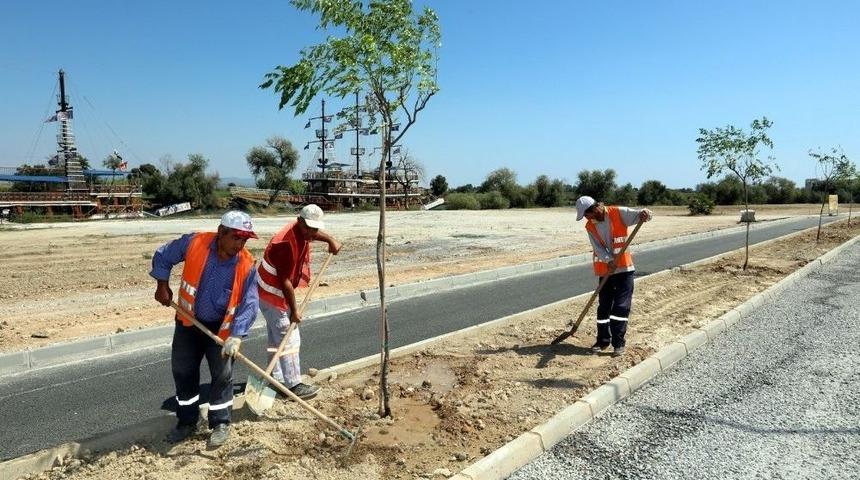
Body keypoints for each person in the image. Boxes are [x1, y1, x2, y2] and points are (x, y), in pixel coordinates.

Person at [150, 210, 260, 448]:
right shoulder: (194, 243)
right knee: (183, 371)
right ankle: (186, 422)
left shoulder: (247, 264)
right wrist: (162, 285)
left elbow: (250, 303)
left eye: (244, 239)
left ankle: (220, 423)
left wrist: (237, 336)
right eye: (236, 237)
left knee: (222, 376)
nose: (240, 244)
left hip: (221, 330)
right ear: (221, 232)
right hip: (188, 322)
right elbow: (163, 255)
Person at [256, 204, 341, 400]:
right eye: (308, 227)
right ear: (299, 220)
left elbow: (312, 234)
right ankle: (293, 385)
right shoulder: (285, 243)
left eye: (315, 228)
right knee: (289, 336)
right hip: (273, 292)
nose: (311, 233)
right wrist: (294, 311)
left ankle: (275, 379)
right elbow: (285, 281)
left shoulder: (302, 231)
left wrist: (330, 239)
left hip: (267, 290)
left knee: (275, 338)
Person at [575, 196, 652, 357]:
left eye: (587, 214)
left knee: (621, 307)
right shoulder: (590, 226)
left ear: (595, 209)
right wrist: (609, 260)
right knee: (603, 307)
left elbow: (642, 215)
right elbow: (598, 248)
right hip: (605, 271)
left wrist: (646, 214)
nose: (587, 218)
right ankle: (602, 340)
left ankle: (618, 343)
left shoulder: (618, 213)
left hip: (624, 269)